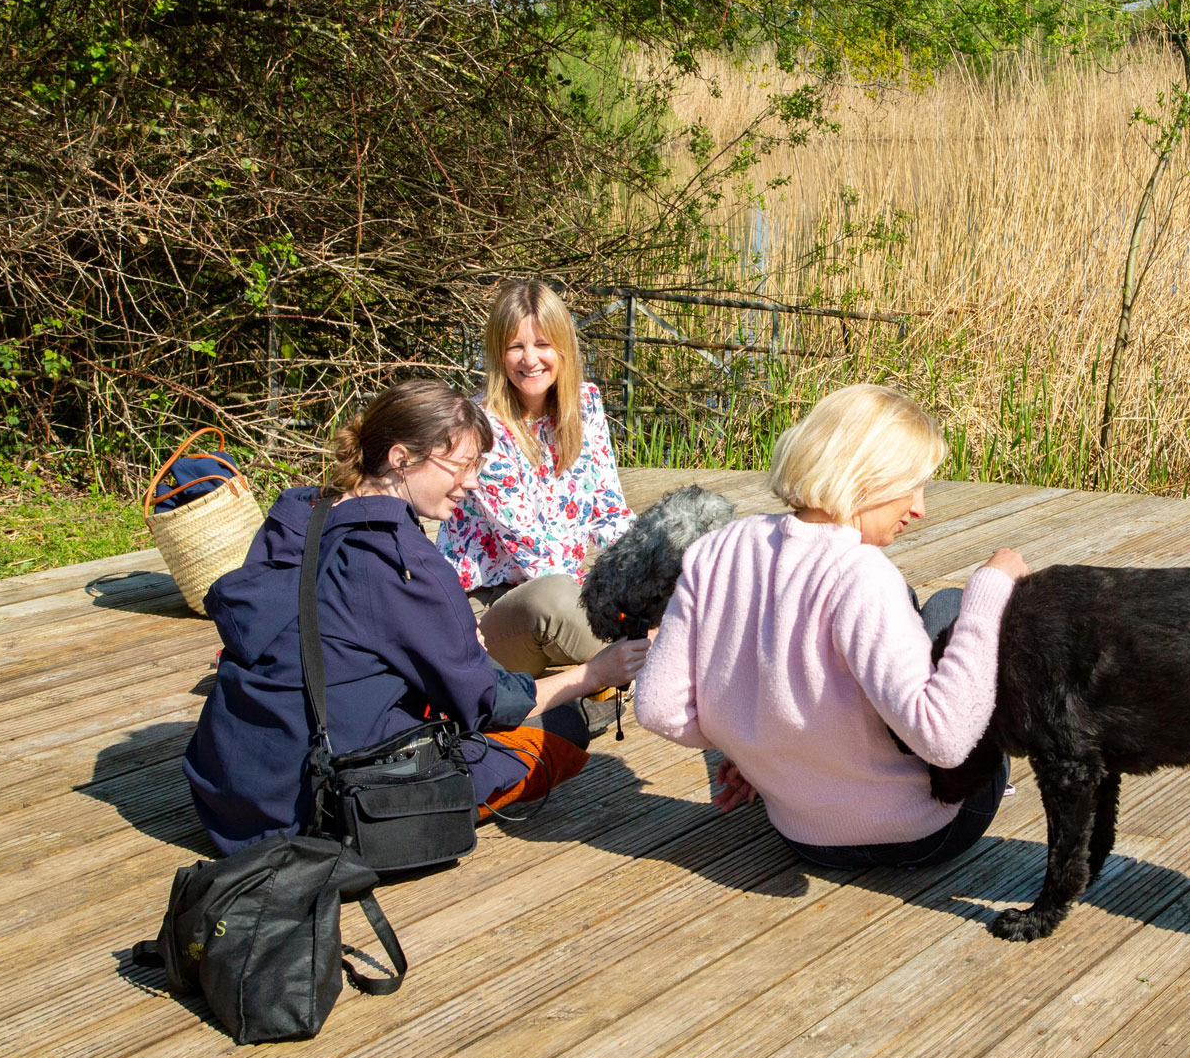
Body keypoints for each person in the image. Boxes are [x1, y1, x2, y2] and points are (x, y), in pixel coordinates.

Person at [184, 378, 649, 855]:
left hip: (228, 790)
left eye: (478, 465)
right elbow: (488, 705)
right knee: (563, 729)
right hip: (315, 808)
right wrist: (594, 672)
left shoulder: (298, 511)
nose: (472, 482)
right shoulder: (407, 565)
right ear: (401, 457)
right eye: (462, 465)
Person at [634, 384, 1029, 868]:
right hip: (927, 831)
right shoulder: (861, 573)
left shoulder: (717, 549)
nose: (920, 508)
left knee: (911, 609)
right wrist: (990, 591)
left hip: (801, 835)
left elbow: (657, 707)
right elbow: (945, 742)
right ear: (866, 476)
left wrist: (762, 754)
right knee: (954, 606)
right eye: (911, 486)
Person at [437, 279, 633, 674]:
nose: (530, 359)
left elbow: (609, 513)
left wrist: (650, 565)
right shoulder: (481, 426)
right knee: (557, 599)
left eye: (542, 344)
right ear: (498, 352)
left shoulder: (585, 403)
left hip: (564, 584)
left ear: (562, 347)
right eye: (515, 347)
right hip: (492, 605)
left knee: (663, 585)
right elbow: (534, 549)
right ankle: (644, 658)